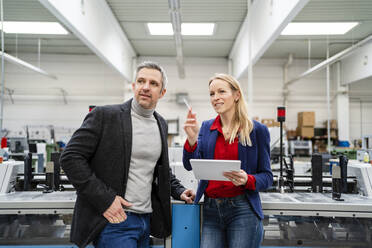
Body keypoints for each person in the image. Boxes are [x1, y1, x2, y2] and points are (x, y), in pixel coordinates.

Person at [60, 61, 195, 248]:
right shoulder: (105, 116)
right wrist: (106, 200)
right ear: (134, 86)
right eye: (141, 81)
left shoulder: (160, 124)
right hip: (115, 220)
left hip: (145, 220)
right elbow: (70, 158)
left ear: (162, 92)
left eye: (153, 84)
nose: (146, 87)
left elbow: (157, 170)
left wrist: (179, 191)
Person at [183, 73, 273, 248]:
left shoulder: (256, 130)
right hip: (211, 209)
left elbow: (267, 177)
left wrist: (248, 179)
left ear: (236, 95)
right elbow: (190, 165)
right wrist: (192, 140)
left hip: (242, 210)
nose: (215, 98)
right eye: (212, 94)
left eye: (221, 92)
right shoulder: (207, 127)